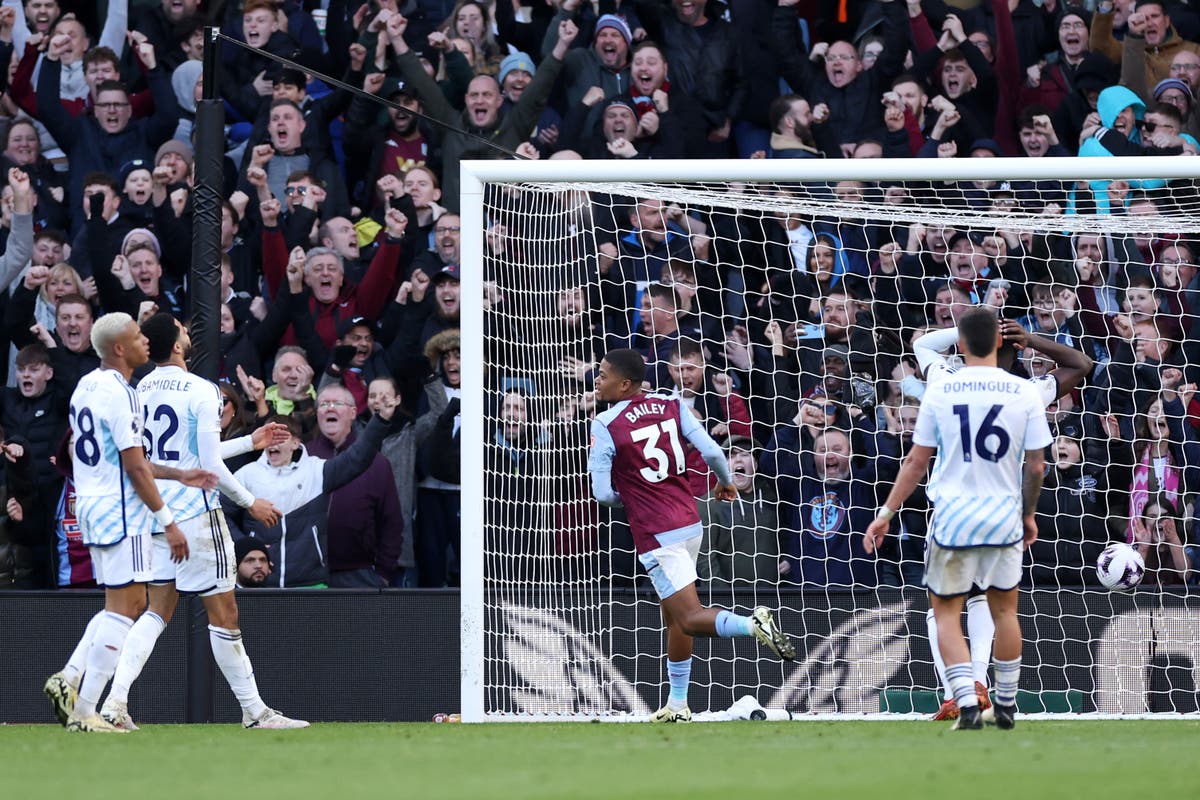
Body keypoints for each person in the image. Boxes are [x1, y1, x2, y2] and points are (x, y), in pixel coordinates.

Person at [97, 314, 307, 731]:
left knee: (156, 611)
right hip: (195, 515)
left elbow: (179, 458)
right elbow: (207, 464)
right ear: (176, 345)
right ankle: (254, 712)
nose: (188, 332)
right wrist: (250, 503)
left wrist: (250, 442)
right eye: (182, 328)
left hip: (156, 513)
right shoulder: (202, 389)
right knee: (224, 612)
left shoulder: (140, 389)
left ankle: (115, 704)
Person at [865, 308, 1053, 730]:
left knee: (945, 613)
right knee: (1004, 612)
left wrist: (886, 513)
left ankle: (965, 701)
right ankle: (1003, 704)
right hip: (1003, 515)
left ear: (961, 345)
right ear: (1001, 342)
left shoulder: (942, 388)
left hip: (952, 515)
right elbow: (1037, 467)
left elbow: (916, 461)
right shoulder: (1023, 391)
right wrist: (1028, 514)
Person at [588, 348, 795, 723]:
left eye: (602, 374)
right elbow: (715, 452)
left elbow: (602, 494)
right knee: (675, 618)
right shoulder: (671, 403)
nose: (596, 380)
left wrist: (629, 497)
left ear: (624, 384)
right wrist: (727, 483)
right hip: (690, 521)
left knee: (689, 617)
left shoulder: (605, 424)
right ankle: (678, 703)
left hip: (657, 533)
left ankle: (754, 625)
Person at [43, 311, 216, 733]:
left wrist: (179, 473)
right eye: (138, 336)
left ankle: (69, 677)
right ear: (119, 348)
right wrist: (168, 521)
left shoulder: (87, 385)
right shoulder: (123, 395)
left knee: (123, 605)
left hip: (91, 503)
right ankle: (85, 709)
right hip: (121, 512)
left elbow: (113, 459)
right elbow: (135, 469)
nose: (145, 342)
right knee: (127, 609)